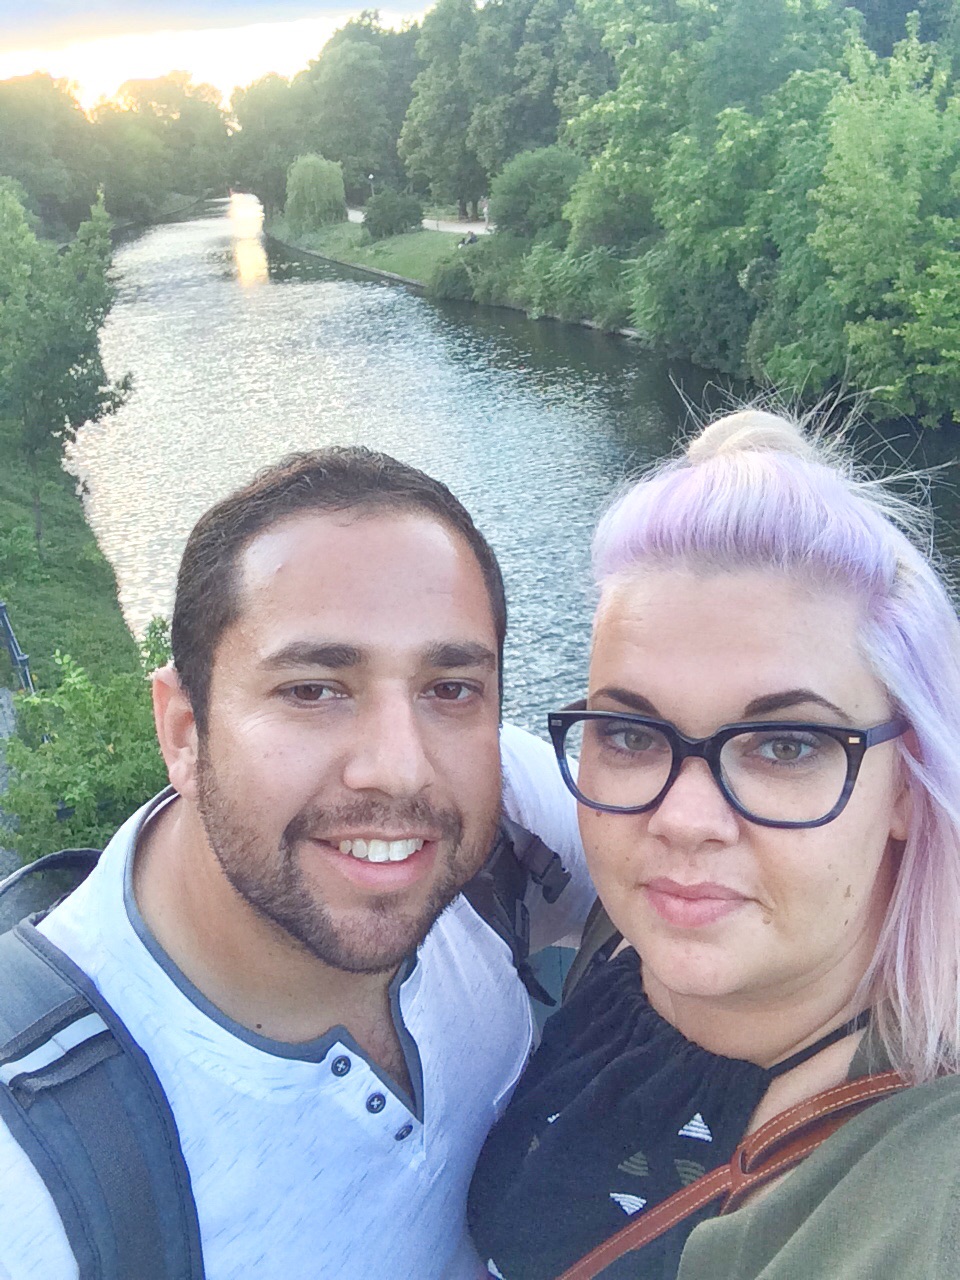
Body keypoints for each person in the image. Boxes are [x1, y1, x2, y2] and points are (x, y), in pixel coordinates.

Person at [0, 447, 593, 1280]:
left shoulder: (507, 816)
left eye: (450, 688)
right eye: (313, 690)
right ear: (184, 731)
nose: (401, 769)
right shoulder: (31, 1189)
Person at [468, 409, 960, 1279]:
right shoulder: (630, 931)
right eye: (630, 733)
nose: (683, 819)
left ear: (907, 786)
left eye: (787, 746)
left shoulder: (921, 1200)